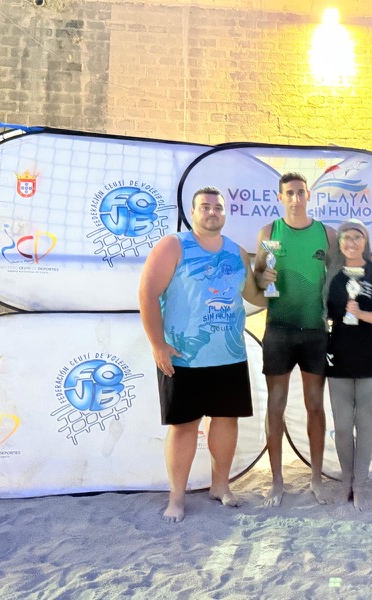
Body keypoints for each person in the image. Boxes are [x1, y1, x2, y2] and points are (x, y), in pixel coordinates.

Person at [139, 186, 266, 523]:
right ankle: (177, 497)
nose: (212, 212)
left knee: (226, 421)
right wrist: (157, 344)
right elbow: (147, 293)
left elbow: (256, 297)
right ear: (192, 212)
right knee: (183, 427)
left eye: (218, 207)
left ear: (225, 213)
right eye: (205, 207)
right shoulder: (174, 245)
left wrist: (271, 279)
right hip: (184, 355)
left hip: (229, 355)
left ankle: (220, 486)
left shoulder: (236, 252)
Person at [254, 172, 337, 507]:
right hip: (278, 331)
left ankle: (316, 478)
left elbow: (339, 278)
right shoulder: (268, 232)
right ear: (280, 197)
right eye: (289, 193)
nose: (296, 198)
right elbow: (259, 281)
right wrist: (264, 277)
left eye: (301, 192)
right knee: (276, 406)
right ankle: (277, 481)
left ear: (308, 195)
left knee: (315, 405)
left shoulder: (327, 234)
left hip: (315, 332)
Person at [324, 219, 372, 511]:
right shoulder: (332, 276)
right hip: (338, 356)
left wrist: (361, 313)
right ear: (339, 242)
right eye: (346, 237)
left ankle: (360, 485)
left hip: (371, 357)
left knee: (365, 425)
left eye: (357, 237)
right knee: (342, 427)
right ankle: (346, 482)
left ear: (365, 242)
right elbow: (325, 313)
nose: (351, 242)